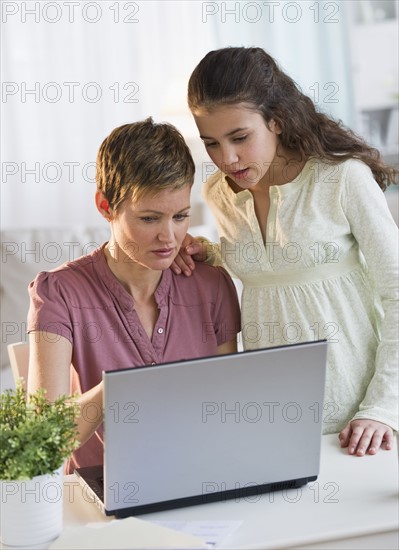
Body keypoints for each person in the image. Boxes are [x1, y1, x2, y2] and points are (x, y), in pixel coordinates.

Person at [173, 46, 398, 457]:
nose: (228, 158)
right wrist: (210, 253)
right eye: (211, 144)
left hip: (360, 422)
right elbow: (271, 264)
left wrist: (383, 408)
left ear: (276, 120)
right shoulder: (217, 195)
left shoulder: (341, 178)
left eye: (240, 138)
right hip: (272, 417)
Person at [27, 118, 241, 473]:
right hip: (98, 495)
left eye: (180, 216)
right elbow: (42, 438)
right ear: (105, 206)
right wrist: (116, 391)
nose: (168, 237)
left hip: (201, 476)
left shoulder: (211, 285)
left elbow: (228, 406)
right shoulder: (60, 294)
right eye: (149, 219)